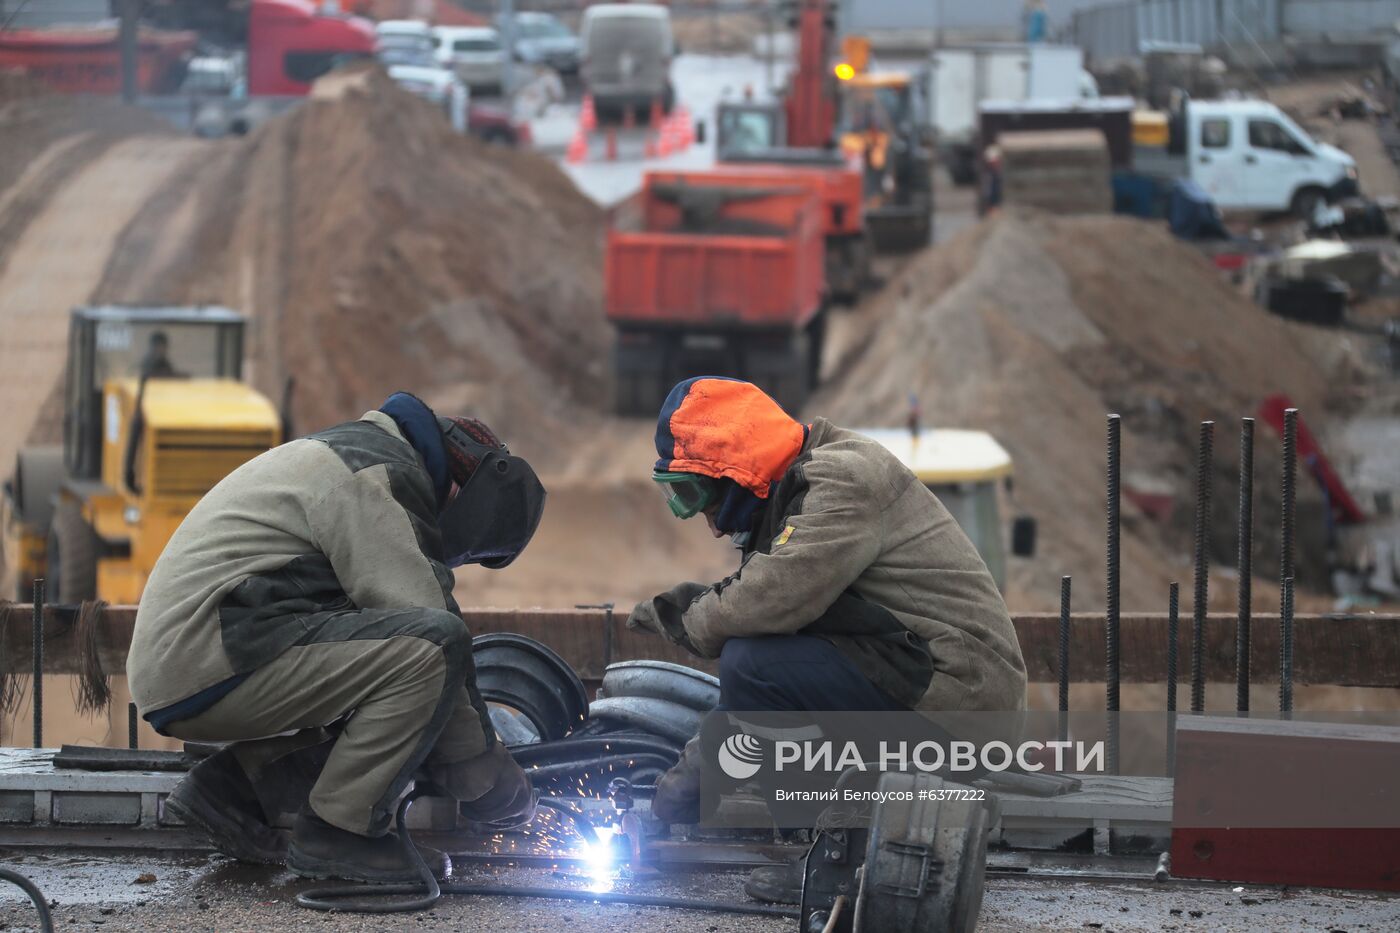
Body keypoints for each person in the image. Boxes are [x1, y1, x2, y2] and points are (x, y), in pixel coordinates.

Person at [627, 377, 1027, 902]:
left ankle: (830, 864)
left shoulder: (842, 479)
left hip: (961, 704)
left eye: (699, 496)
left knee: (750, 660)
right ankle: (834, 840)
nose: (713, 528)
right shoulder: (804, 490)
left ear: (738, 473)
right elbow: (765, 680)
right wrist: (682, 791)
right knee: (758, 662)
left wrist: (690, 618)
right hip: (923, 685)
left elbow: (769, 603)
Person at [128, 392, 546, 883]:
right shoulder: (375, 475)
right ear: (460, 496)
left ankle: (234, 792)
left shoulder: (355, 452)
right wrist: (488, 776)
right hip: (212, 649)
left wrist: (448, 751)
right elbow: (430, 629)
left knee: (385, 674)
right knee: (432, 650)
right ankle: (340, 835)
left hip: (199, 653)